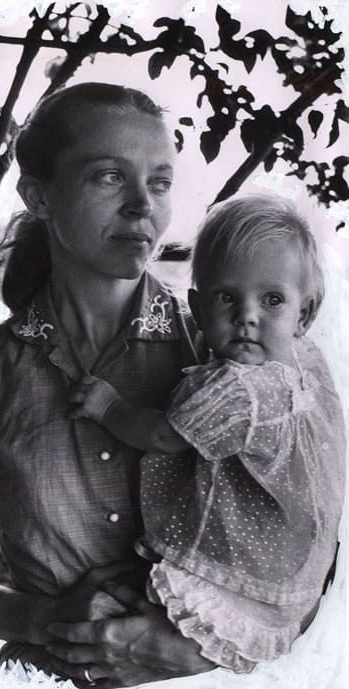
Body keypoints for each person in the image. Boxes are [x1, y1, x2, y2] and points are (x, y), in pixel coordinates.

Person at [0, 82, 217, 688]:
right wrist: (43, 619)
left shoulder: (215, 352)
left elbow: (312, 547)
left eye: (158, 182)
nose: (141, 206)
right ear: (39, 197)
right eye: (109, 176)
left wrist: (196, 652)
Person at [69, 194, 346, 673]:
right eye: (227, 297)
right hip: (298, 572)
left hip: (246, 579)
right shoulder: (308, 364)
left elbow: (162, 436)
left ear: (305, 313)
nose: (247, 316)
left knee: (166, 611)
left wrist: (110, 407)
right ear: (198, 307)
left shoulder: (239, 387)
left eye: (272, 300)